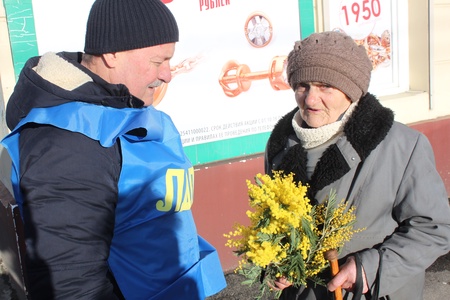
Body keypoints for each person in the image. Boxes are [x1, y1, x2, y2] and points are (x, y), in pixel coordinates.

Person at [1, 0, 226, 299]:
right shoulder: (66, 143)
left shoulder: (119, 110)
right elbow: (72, 285)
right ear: (111, 53)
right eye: (159, 61)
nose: (168, 75)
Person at [264, 31, 450, 299]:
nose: (311, 99)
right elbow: (276, 223)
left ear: (351, 91)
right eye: (302, 85)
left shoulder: (403, 146)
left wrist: (369, 270)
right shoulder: (280, 145)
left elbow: (433, 228)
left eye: (325, 86)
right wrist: (276, 260)